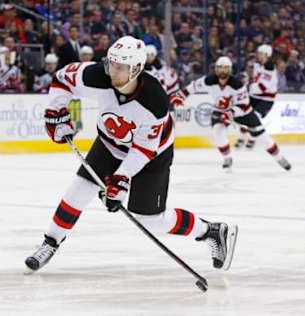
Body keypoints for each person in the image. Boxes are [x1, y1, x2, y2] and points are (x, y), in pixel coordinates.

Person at [25, 36, 238, 274]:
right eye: (111, 63)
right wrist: (56, 112)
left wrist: (121, 178)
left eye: (119, 67)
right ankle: (50, 242)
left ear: (136, 69)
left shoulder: (154, 102)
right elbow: (63, 79)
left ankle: (210, 231)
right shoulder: (96, 75)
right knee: (78, 191)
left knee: (151, 221)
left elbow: (144, 149)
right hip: (109, 144)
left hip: (152, 156)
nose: (111, 71)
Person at [170, 56, 291, 171]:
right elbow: (192, 87)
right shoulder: (208, 80)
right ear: (216, 69)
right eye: (220, 68)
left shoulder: (237, 85)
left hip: (243, 113)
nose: (222, 71)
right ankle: (227, 158)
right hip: (219, 110)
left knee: (262, 136)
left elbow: (243, 105)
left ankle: (279, 157)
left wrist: (230, 113)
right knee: (218, 131)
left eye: (225, 68)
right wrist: (180, 96)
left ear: (230, 69)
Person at [235, 44, 278, 149]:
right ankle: (241, 137)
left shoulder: (270, 68)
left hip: (266, 100)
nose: (258, 55)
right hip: (254, 97)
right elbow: (254, 79)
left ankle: (252, 139)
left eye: (261, 53)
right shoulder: (257, 65)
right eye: (258, 53)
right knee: (242, 114)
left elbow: (261, 87)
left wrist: (247, 86)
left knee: (254, 117)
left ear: (267, 55)